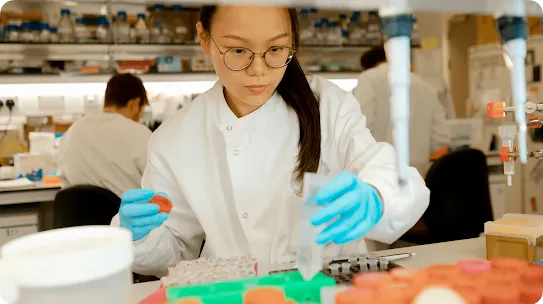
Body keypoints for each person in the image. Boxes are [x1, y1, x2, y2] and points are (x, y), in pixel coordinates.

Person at [111, 6, 430, 277]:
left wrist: (376, 195)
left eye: (276, 50)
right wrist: (140, 236)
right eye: (238, 51)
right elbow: (176, 249)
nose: (259, 70)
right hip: (235, 293)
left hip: (330, 288)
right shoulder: (175, 137)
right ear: (204, 38)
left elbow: (396, 178)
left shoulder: (329, 105)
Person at [354, 46, 451, 172]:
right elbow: (441, 138)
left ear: (368, 66)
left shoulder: (368, 79)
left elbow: (361, 127)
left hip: (378, 170)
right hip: (416, 173)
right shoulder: (425, 86)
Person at [59, 73, 152, 199]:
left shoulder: (72, 132)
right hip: (128, 217)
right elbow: (159, 182)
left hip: (78, 217)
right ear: (134, 104)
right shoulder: (139, 133)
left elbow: (65, 181)